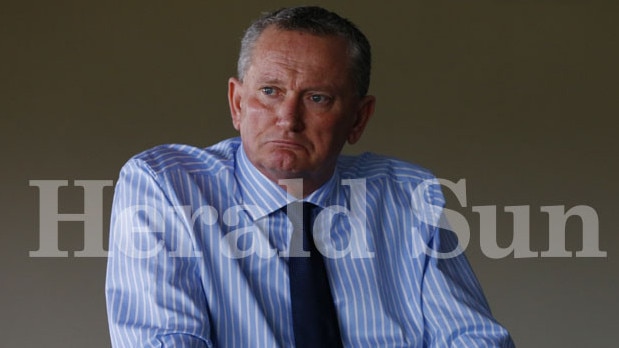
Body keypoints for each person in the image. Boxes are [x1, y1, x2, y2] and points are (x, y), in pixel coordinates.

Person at [106, 6, 515, 347]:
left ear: (358, 118)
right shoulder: (165, 186)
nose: (288, 120)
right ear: (236, 102)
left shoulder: (407, 195)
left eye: (318, 98)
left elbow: (471, 338)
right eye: (269, 91)